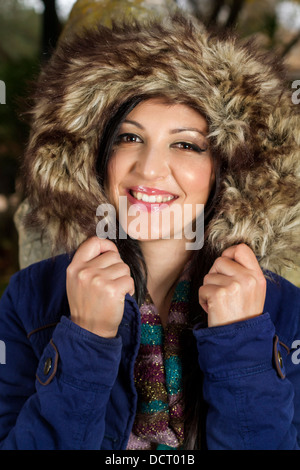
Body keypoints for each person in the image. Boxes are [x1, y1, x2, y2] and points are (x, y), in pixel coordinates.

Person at [0, 12, 300, 450]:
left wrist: (241, 342)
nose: (149, 169)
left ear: (231, 169)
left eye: (185, 144)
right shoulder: (32, 296)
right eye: (128, 138)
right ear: (94, 156)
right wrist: (85, 340)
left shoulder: (282, 308)